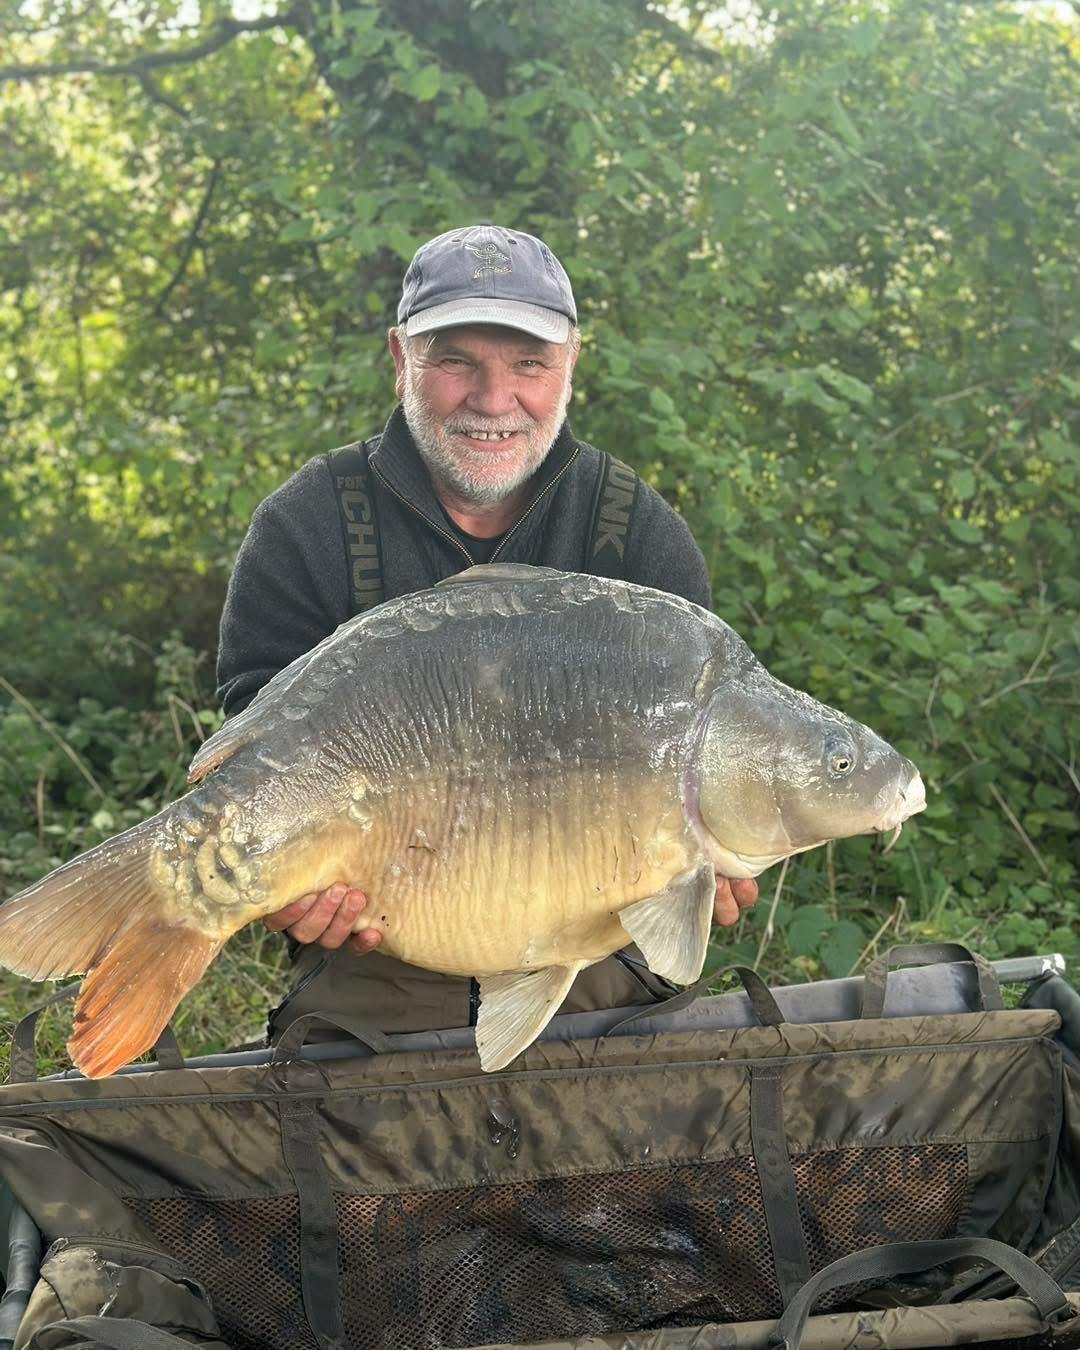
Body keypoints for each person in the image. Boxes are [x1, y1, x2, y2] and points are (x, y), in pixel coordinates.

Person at [216, 224, 758, 1038]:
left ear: (571, 362)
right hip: (382, 938)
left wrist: (701, 873)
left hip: (595, 947)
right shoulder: (310, 524)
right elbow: (252, 758)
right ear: (401, 359)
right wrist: (287, 888)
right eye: (457, 361)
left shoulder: (634, 533)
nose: (494, 400)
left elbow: (702, 766)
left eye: (528, 364)